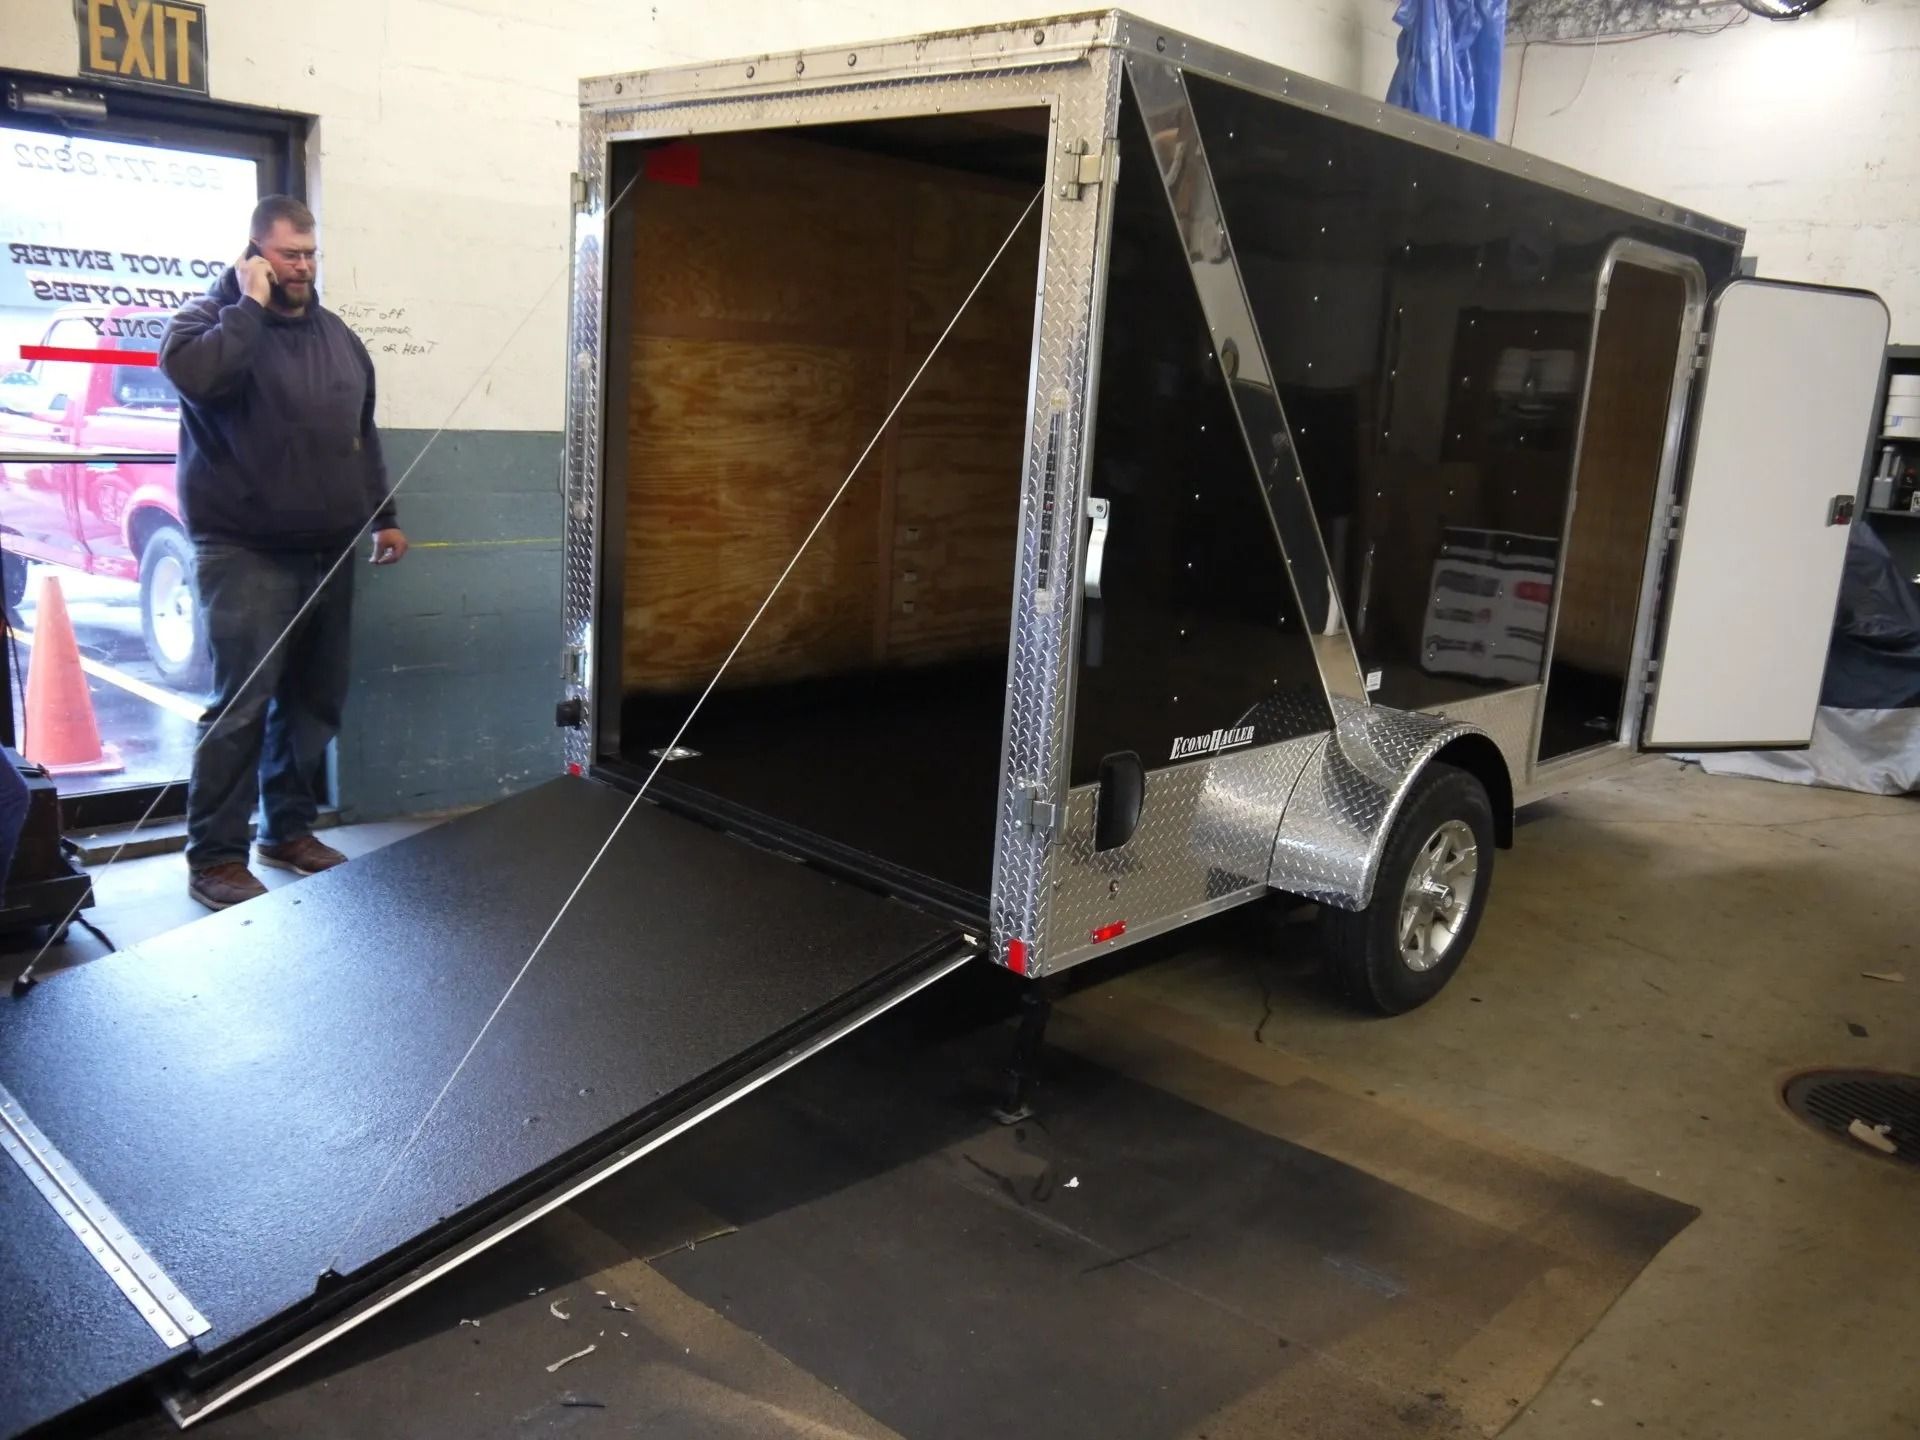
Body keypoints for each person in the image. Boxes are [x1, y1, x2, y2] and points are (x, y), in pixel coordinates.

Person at [161, 195, 408, 910]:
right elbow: (206, 381)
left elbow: (359, 435)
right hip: (243, 550)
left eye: (310, 254)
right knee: (241, 707)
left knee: (313, 702)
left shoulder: (338, 338)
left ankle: (287, 831)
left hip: (328, 548)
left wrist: (383, 516)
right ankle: (214, 857)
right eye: (288, 255)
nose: (302, 267)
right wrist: (246, 306)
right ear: (254, 255)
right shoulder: (203, 326)